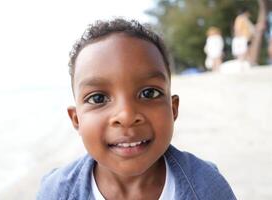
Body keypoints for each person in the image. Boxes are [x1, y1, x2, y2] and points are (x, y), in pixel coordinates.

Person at [36, 18, 236, 200]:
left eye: (149, 93)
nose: (127, 115)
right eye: (98, 98)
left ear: (173, 109)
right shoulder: (56, 193)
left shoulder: (209, 189)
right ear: (76, 120)